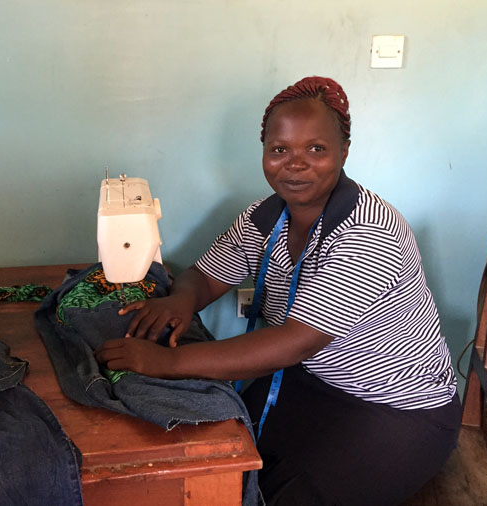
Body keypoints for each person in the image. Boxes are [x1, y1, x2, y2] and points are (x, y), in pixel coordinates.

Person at [95, 76, 461, 506]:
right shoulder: (266, 217)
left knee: (282, 495)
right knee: (211, 467)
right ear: (265, 153)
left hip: (397, 409)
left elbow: (294, 341)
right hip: (310, 384)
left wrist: (169, 361)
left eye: (316, 149)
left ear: (345, 151)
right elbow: (208, 274)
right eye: (280, 150)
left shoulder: (368, 231)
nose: (295, 164)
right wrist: (181, 299)